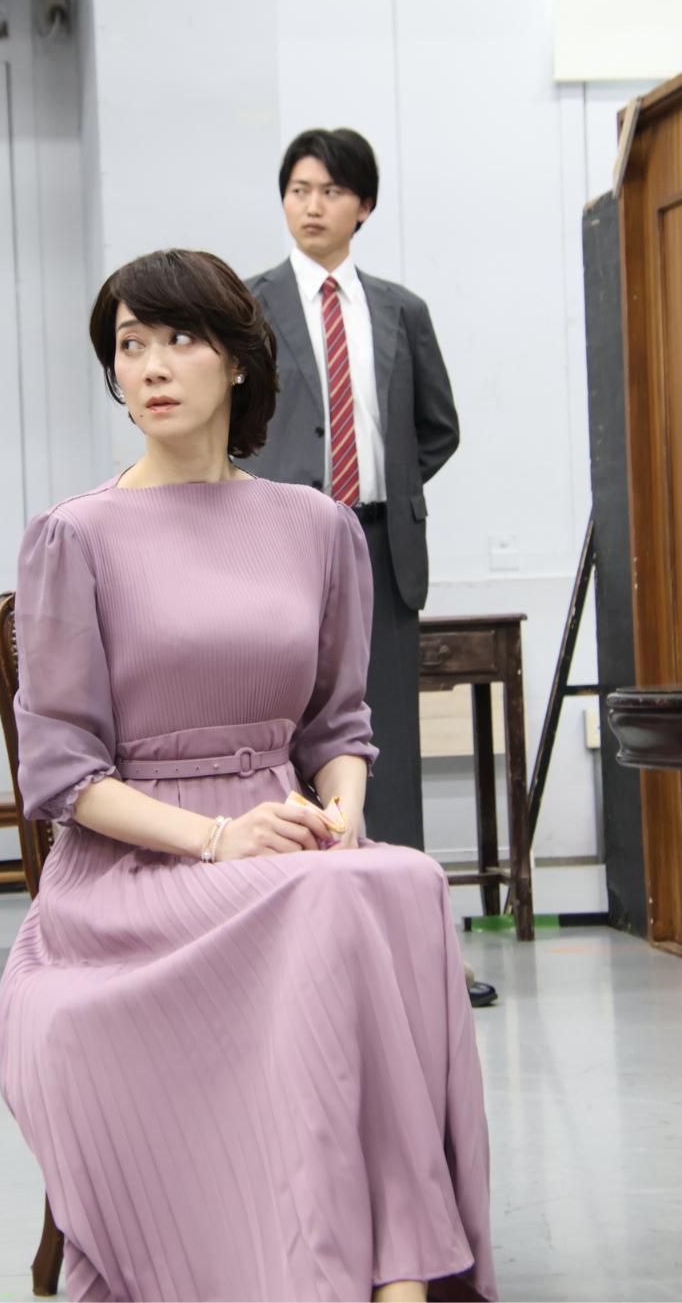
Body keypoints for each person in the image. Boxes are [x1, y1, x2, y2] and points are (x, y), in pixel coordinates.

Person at [0, 248, 495, 1303]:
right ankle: (381, 1273)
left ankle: (389, 1268)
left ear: (236, 362)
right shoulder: (75, 538)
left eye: (179, 339)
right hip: (133, 876)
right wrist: (220, 840)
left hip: (286, 839)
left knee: (402, 879)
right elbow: (64, 776)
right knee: (333, 902)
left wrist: (340, 815)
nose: (150, 366)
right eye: (129, 344)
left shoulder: (316, 527)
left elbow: (338, 724)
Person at [246, 132, 496, 1008]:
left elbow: (439, 427)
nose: (311, 205)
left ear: (364, 206)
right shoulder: (248, 306)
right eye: (298, 188)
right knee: (281, 745)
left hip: (383, 548)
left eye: (330, 190)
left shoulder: (400, 310)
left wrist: (385, 488)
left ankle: (420, 954)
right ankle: (304, 956)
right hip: (282, 546)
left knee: (386, 748)